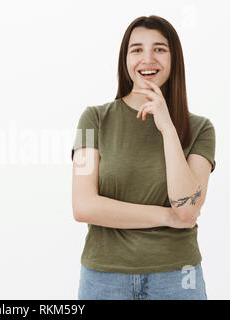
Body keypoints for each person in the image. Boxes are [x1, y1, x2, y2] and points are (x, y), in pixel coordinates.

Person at [71, 15, 216, 300]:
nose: (147, 59)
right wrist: (166, 216)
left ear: (174, 59)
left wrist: (167, 127)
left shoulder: (201, 129)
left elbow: (186, 208)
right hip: (104, 278)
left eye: (159, 49)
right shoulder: (92, 120)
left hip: (178, 276)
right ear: (125, 60)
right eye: (136, 49)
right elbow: (83, 205)